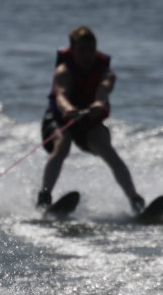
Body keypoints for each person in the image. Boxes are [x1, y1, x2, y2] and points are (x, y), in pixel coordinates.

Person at [38, 26, 145, 214]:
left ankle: (135, 200)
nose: (87, 55)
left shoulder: (106, 73)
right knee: (63, 144)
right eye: (82, 50)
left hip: (87, 122)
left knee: (107, 149)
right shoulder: (63, 71)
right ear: (72, 50)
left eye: (91, 50)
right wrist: (69, 109)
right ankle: (44, 198)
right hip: (59, 120)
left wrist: (99, 103)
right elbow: (61, 95)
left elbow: (104, 90)